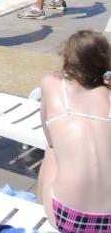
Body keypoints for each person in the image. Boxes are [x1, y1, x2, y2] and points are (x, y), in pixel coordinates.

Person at [36, 29, 111, 232]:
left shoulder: (51, 84)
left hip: (69, 216)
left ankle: (38, 206)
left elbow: (49, 136)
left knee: (51, 149)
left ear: (67, 59)